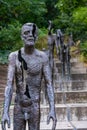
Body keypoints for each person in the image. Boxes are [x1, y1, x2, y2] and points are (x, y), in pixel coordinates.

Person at [1, 23, 57, 130]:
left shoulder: (42, 57)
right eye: (26, 33)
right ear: (22, 37)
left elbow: (49, 85)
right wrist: (5, 112)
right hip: (19, 106)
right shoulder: (14, 57)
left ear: (36, 36)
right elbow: (9, 85)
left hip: (34, 106)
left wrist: (52, 109)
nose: (30, 35)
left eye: (33, 33)